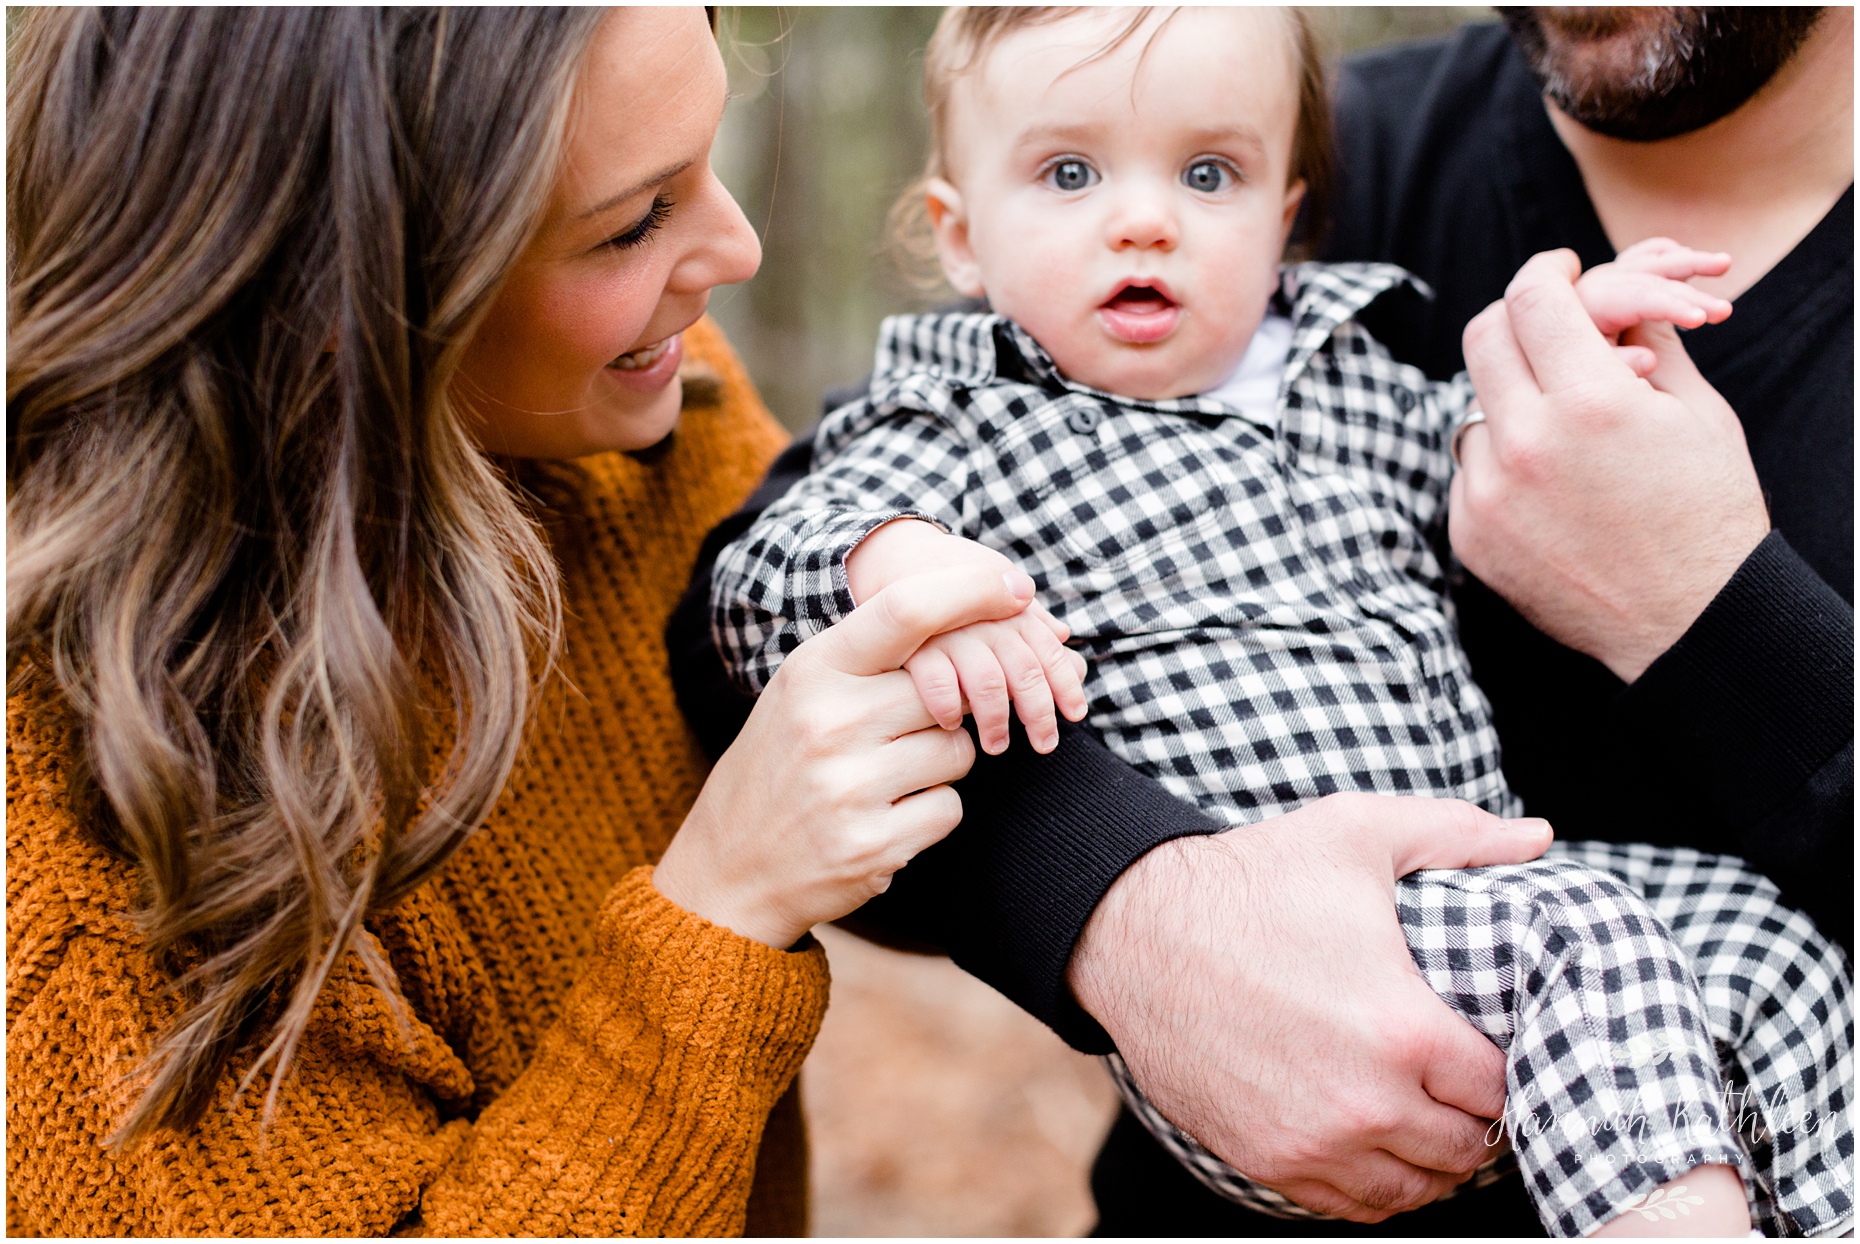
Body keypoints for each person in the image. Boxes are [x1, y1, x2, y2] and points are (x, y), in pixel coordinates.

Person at [668, 5, 1853, 1235]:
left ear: (1284, 218)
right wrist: (1102, 875)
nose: (1145, 217)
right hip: (1332, 970)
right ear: (961, 236)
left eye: (1208, 174)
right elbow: (746, 606)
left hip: (1489, 878)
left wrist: (1607, 395)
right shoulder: (967, 409)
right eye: (1068, 173)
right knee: (1594, 939)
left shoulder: (1339, 362)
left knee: (1764, 946)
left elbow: (1493, 429)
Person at [5, 8, 1047, 1235]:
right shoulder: (83, 868)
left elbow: (890, 830)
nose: (741, 247)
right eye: (634, 221)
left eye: (708, 166)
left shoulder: (649, 407)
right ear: (342, 304)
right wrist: (721, 907)